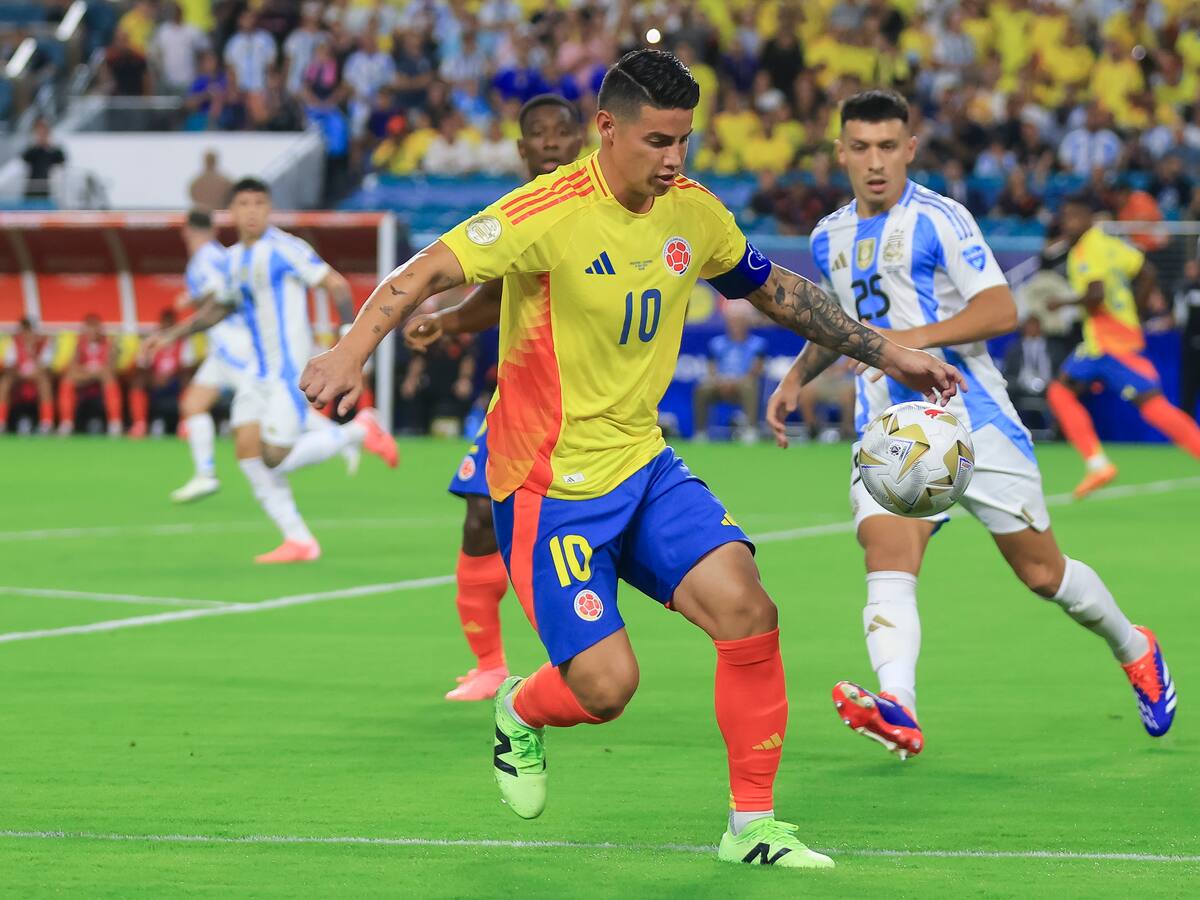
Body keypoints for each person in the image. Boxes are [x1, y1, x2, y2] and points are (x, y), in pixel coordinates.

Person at [301, 50, 963, 870]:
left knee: (748, 609)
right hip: (550, 485)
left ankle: (751, 826)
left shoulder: (690, 209)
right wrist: (348, 350)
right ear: (607, 130)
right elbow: (423, 270)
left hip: (644, 464)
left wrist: (890, 351)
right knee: (608, 689)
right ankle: (520, 708)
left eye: (684, 140)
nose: (675, 159)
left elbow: (776, 290)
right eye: (657, 141)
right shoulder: (546, 210)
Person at [766, 90, 1175, 763]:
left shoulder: (940, 218)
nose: (875, 162)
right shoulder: (827, 235)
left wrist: (909, 340)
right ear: (841, 152)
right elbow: (838, 321)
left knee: (1043, 573)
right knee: (887, 553)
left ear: (910, 149)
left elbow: (1000, 307)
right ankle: (900, 706)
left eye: (888, 147)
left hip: (972, 419)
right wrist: (795, 379)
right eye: (861, 148)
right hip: (891, 427)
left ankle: (1135, 647)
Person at [402, 94, 583, 702]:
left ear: (582, 139)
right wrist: (449, 323)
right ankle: (488, 665)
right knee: (480, 516)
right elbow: (500, 292)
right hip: (522, 404)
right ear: (522, 148)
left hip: (593, 405)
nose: (552, 142)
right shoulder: (513, 214)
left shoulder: (601, 208)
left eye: (563, 132)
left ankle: (583, 663)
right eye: (540, 133)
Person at [146, 180, 397, 561]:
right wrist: (172, 335)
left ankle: (358, 431)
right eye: (243, 203)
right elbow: (220, 308)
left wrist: (348, 345)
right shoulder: (232, 260)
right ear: (231, 212)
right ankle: (300, 541)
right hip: (255, 375)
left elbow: (338, 286)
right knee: (248, 454)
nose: (251, 210)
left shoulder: (286, 249)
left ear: (269, 209)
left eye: (259, 203)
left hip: (289, 375)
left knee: (275, 457)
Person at [1045, 196, 1200, 497]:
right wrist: (1136, 312)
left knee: (1153, 406)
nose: (1067, 223)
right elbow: (1147, 271)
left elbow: (1096, 294)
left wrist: (1061, 302)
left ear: (1088, 218)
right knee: (1060, 391)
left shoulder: (1085, 250)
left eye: (1073, 216)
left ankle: (1098, 463)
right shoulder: (1110, 243)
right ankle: (1096, 463)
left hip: (1109, 342)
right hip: (1110, 339)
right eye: (1064, 218)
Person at [692, 303, 767, 442]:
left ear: (746, 323)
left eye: (740, 322)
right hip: (720, 383)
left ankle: (750, 430)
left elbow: (756, 369)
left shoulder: (757, 344)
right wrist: (720, 381)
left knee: (749, 385)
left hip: (743, 382)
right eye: (733, 322)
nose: (736, 325)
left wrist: (736, 382)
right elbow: (711, 368)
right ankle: (701, 432)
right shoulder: (716, 343)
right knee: (703, 388)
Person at [129, 309, 197, 438]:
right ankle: (140, 424)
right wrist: (153, 377)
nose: (167, 327)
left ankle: (184, 424)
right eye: (165, 323)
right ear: (160, 324)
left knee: (187, 379)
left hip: (174, 381)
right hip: (154, 381)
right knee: (138, 381)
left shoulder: (184, 341)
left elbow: (188, 367)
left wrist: (171, 375)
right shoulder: (150, 341)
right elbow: (141, 366)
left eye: (170, 324)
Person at [58, 314, 123, 436]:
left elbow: (111, 367)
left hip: (102, 381)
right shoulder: (79, 344)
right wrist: (91, 373)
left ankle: (115, 423)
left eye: (96, 327)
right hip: (85, 379)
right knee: (68, 378)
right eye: (89, 327)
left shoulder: (109, 344)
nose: (93, 331)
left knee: (108, 376)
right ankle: (66, 423)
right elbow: (73, 366)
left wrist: (97, 372)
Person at [0, 318, 54, 433]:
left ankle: (46, 423)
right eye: (23, 331)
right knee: (5, 382)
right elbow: (9, 365)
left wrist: (33, 352)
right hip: (19, 375)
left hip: (37, 376)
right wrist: (19, 373)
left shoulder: (44, 342)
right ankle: (1, 422)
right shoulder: (13, 343)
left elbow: (45, 367)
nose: (26, 334)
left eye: (29, 331)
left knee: (45, 382)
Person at [1174, 257, 1200, 421]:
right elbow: (1180, 319)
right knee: (1188, 393)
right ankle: (1186, 437)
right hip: (1191, 349)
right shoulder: (1185, 291)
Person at [21, 119, 66, 200]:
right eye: (39, 133)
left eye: (44, 133)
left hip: (48, 185)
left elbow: (61, 159)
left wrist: (49, 147)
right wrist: (37, 146)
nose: (42, 135)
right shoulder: (33, 149)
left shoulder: (52, 150)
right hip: (33, 185)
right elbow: (24, 158)